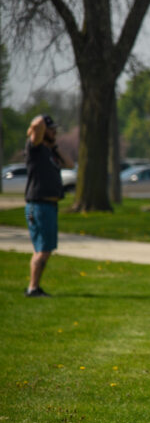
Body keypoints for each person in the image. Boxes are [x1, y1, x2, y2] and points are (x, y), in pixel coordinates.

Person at [24, 114, 73, 297]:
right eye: (52, 130)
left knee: (43, 250)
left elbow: (69, 163)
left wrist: (54, 146)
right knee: (43, 250)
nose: (55, 132)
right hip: (39, 205)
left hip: (48, 207)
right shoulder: (34, 148)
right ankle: (33, 288)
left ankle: (34, 286)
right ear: (44, 131)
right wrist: (41, 124)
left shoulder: (49, 151)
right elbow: (36, 124)